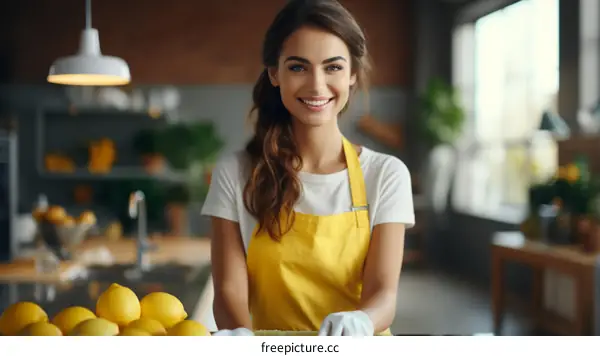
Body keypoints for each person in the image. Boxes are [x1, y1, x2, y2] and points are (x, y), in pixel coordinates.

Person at [201, 0, 414, 336]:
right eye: (299, 67)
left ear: (353, 75)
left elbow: (384, 294)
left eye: (333, 67)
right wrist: (240, 335)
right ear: (275, 73)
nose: (317, 85)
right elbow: (228, 290)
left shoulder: (386, 174)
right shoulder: (236, 172)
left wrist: (362, 321)